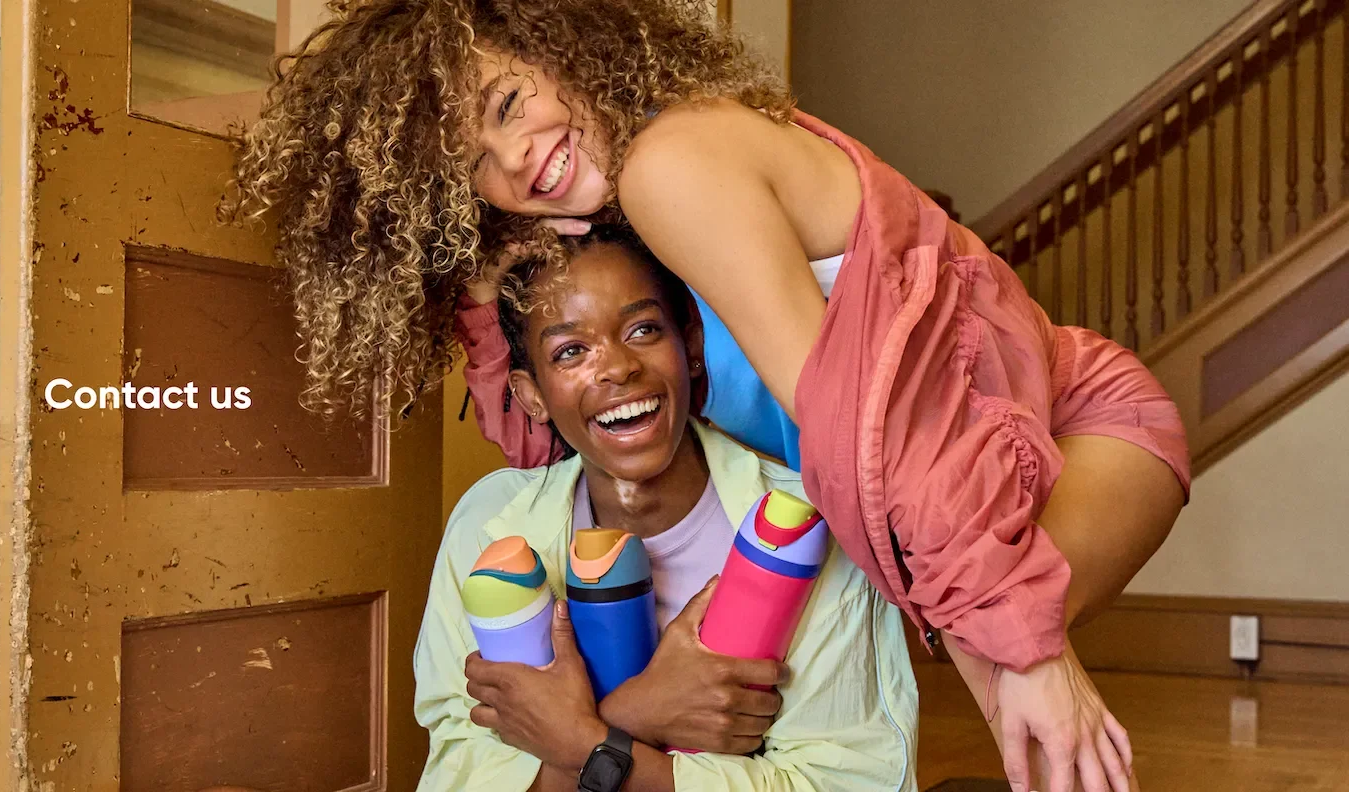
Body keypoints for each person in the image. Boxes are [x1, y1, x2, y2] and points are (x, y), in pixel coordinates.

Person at [219, 2, 1190, 789]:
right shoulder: (610, 212)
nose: (514, 157)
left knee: (987, 663)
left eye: (509, 100)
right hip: (949, 466)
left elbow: (856, 429)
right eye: (472, 164)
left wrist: (1028, 651)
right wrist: (480, 266)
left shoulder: (674, 163)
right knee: (920, 619)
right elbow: (546, 446)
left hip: (1073, 424)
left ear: (560, 36)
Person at [414, 228, 918, 791]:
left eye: (643, 329)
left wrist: (582, 740)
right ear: (532, 396)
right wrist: (636, 714)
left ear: (692, 348)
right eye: (570, 351)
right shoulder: (487, 526)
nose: (617, 368)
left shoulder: (811, 520)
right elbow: (458, 771)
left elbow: (848, 780)